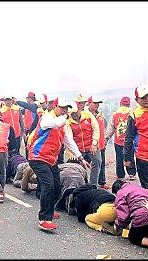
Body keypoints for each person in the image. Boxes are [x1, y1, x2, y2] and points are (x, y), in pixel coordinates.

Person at [27, 97, 90, 231]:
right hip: (38, 157)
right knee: (48, 185)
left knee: (56, 185)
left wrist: (80, 158)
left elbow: (69, 141)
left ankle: (49, 209)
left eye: (66, 109)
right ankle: (44, 218)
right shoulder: (47, 118)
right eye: (62, 108)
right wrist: (67, 116)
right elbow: (53, 124)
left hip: (51, 159)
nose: (65, 111)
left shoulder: (63, 124)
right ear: (55, 106)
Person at [68, 97, 102, 186]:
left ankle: (93, 185)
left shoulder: (88, 115)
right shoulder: (68, 121)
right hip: (78, 148)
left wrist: (94, 143)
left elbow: (96, 129)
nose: (74, 114)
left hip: (91, 145)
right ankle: (81, 184)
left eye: (75, 112)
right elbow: (69, 138)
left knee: (97, 161)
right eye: (72, 113)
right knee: (75, 165)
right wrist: (72, 153)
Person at [105, 96, 136, 180]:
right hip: (130, 141)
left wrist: (106, 138)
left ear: (120, 104)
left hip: (118, 141)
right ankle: (131, 174)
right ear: (129, 104)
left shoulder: (115, 114)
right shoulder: (133, 113)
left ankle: (120, 175)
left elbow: (110, 127)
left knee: (119, 158)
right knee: (130, 156)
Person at [88, 96, 109, 189]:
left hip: (100, 143)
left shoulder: (100, 115)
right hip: (90, 144)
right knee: (90, 163)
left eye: (98, 103)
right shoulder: (86, 115)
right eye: (95, 103)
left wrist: (105, 139)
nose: (97, 105)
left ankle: (101, 181)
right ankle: (88, 183)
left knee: (101, 162)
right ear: (89, 103)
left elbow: (104, 126)